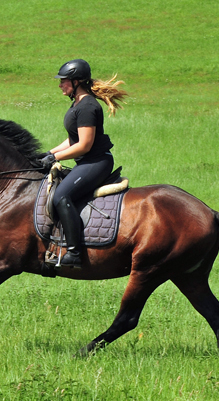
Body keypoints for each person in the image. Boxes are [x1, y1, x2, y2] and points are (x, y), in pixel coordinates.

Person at [40, 59, 127, 268]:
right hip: (87, 161)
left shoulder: (87, 106)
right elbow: (74, 139)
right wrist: (48, 152)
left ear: (77, 81)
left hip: (96, 161)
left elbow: (85, 145)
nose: (60, 85)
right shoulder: (77, 103)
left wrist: (55, 158)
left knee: (62, 195)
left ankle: (74, 253)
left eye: (64, 81)